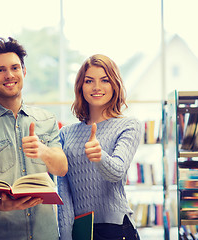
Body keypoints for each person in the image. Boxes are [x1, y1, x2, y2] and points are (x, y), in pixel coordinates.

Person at [0, 37, 68, 240]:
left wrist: (42, 151)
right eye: (0, 70)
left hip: (45, 235)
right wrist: (0, 204)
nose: (9, 75)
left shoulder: (46, 119)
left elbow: (61, 168)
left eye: (15, 68)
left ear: (24, 72)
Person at [57, 54, 142, 240]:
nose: (97, 87)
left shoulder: (129, 125)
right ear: (81, 86)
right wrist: (65, 235)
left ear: (115, 85)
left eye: (105, 80)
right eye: (89, 81)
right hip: (80, 229)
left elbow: (117, 172)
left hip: (116, 229)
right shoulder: (66, 133)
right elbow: (63, 192)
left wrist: (99, 156)